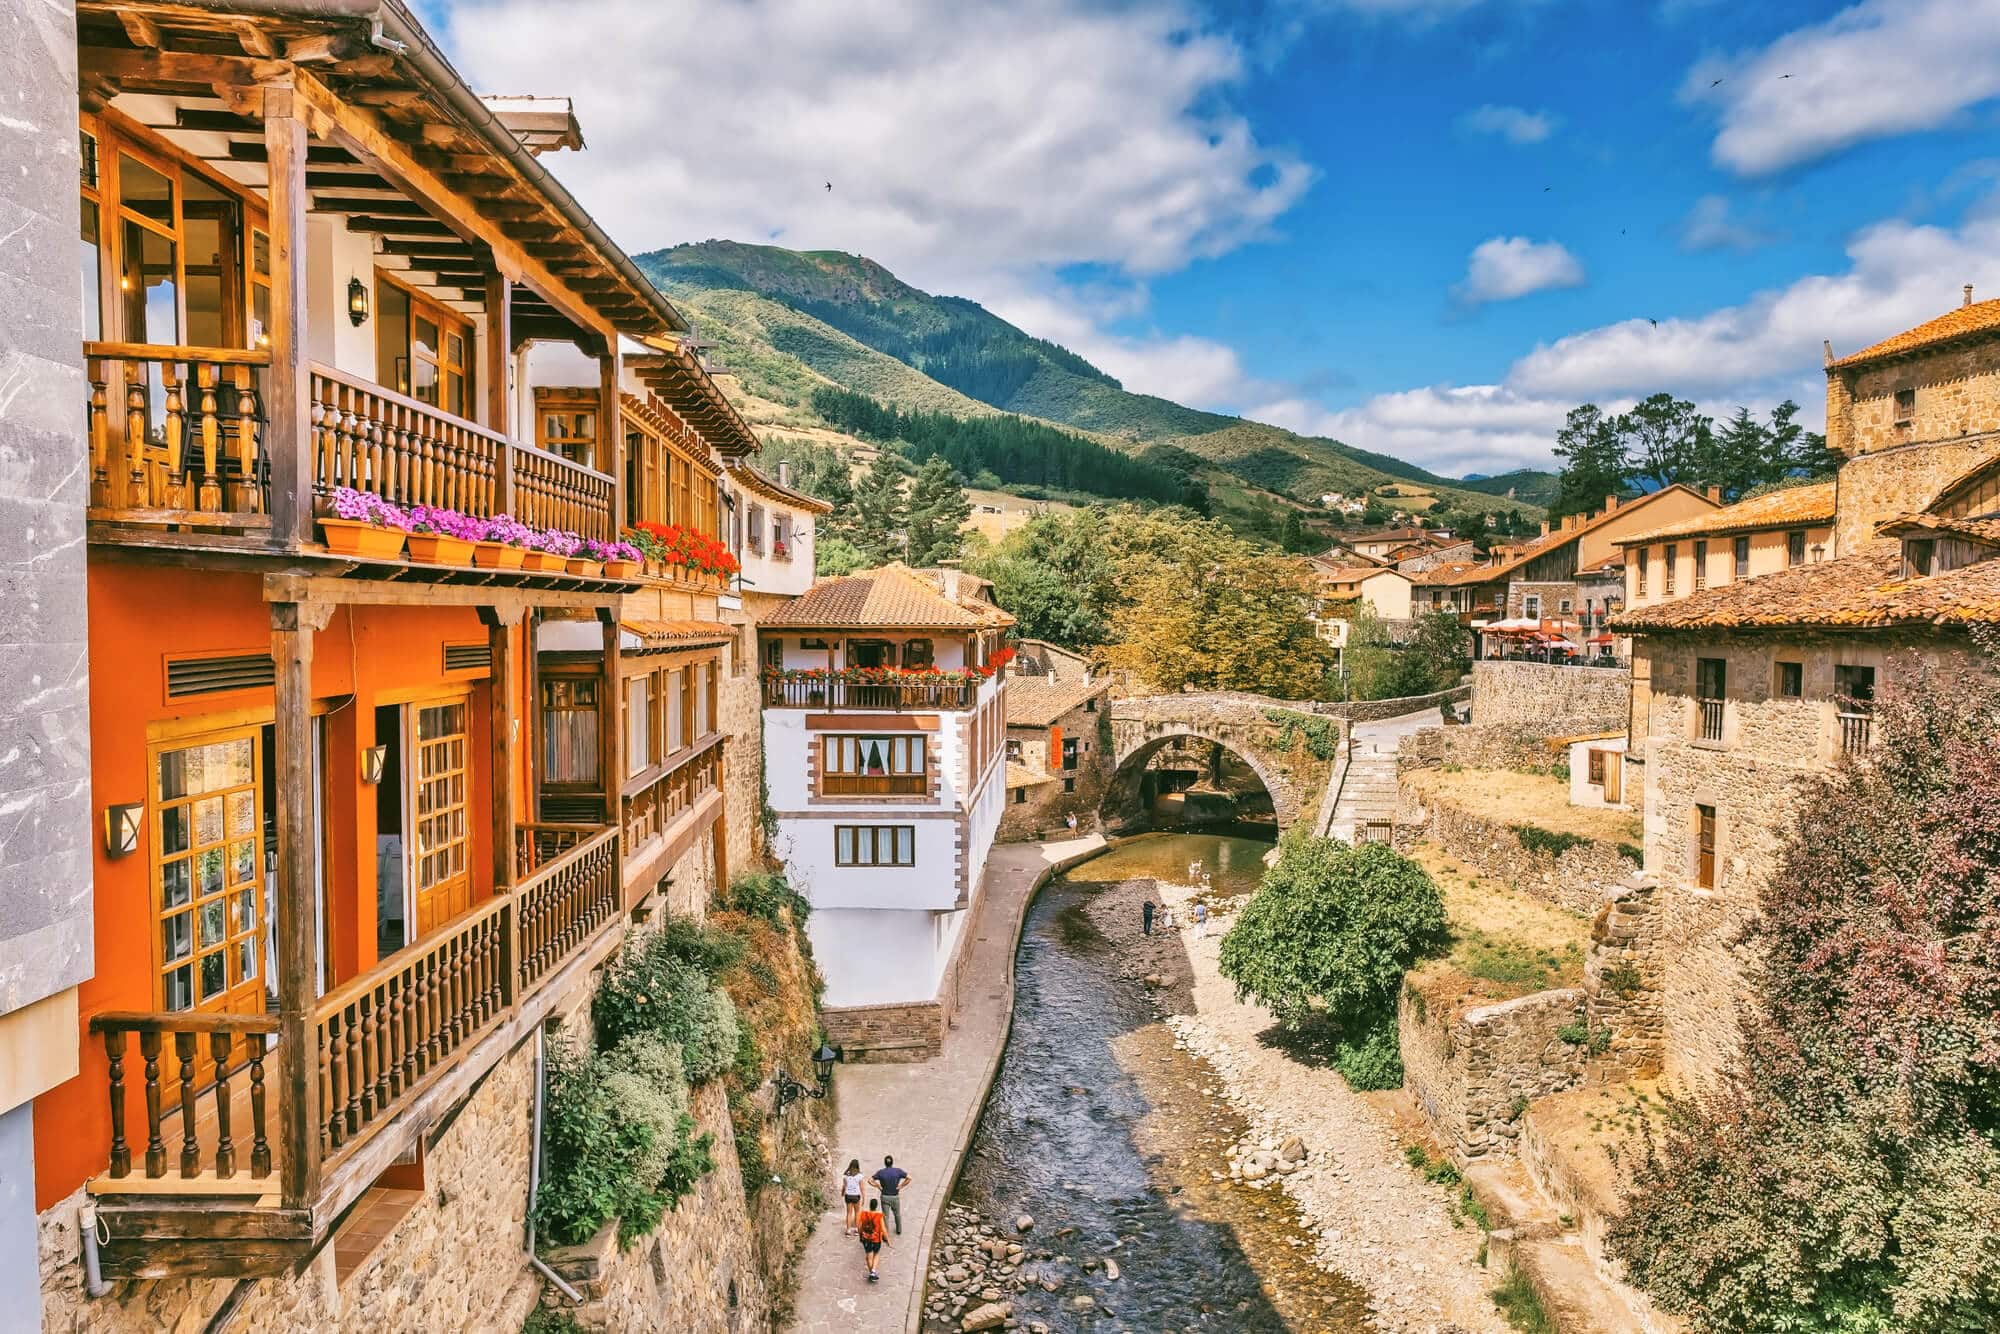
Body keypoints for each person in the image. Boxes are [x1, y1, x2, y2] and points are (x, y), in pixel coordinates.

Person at [870, 1155, 910, 1235]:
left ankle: (886, 1234)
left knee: (885, 1216)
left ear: (885, 1163)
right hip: (895, 1196)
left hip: (885, 1196)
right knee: (897, 1214)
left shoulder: (881, 1172)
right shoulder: (898, 1171)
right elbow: (909, 1178)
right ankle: (899, 1230)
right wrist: (901, 1186)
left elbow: (870, 1180)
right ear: (892, 1162)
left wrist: (878, 1186)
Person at [857, 1197, 890, 1282]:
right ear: (876, 1206)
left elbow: (860, 1227)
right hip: (876, 1239)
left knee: (868, 1256)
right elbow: (883, 1229)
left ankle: (872, 1272)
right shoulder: (879, 1216)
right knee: (876, 1254)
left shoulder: (863, 1214)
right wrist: (888, 1240)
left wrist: (860, 1235)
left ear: (870, 1205)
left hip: (866, 1238)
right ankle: (873, 1271)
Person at [840, 1159, 865, 1236]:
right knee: (857, 1212)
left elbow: (844, 1186)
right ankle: (857, 1230)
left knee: (849, 1213)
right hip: (856, 1196)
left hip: (848, 1195)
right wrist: (864, 1197)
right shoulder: (860, 1176)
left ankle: (848, 1230)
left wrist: (842, 1193)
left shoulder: (846, 1175)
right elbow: (862, 1188)